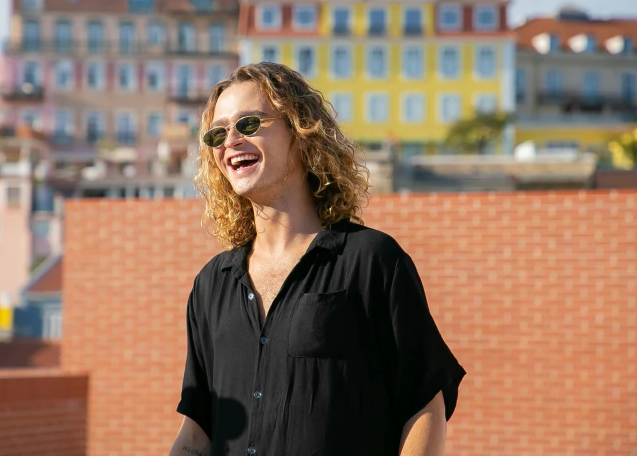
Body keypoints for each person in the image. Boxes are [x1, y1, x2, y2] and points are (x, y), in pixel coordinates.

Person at [168, 62, 466, 456]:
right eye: (218, 133)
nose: (231, 141)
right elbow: (197, 432)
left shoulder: (372, 261)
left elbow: (425, 405)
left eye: (250, 124)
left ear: (300, 131)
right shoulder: (210, 285)